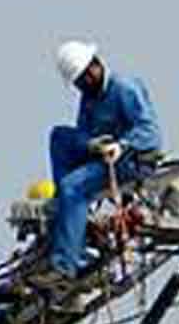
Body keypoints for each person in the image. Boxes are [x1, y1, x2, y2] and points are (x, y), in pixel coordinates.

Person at [34, 41, 162, 285]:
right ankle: (69, 215)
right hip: (103, 157)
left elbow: (150, 133)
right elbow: (83, 131)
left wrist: (122, 145)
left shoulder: (124, 87)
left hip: (131, 161)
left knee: (74, 186)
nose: (81, 85)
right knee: (59, 137)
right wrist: (91, 144)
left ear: (95, 66)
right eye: (77, 82)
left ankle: (64, 267)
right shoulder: (89, 97)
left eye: (83, 78)